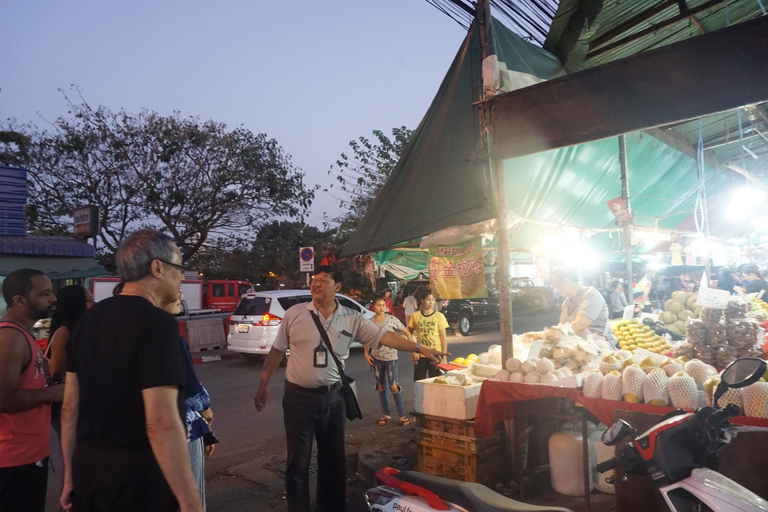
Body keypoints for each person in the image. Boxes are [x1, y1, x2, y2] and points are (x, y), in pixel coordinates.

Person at [254, 266, 448, 512]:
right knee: (297, 462)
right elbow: (277, 350)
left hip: (333, 398)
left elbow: (385, 337)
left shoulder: (352, 318)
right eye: (314, 280)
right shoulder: (295, 314)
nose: (316, 284)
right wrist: (263, 383)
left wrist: (419, 347)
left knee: (333, 462)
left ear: (338, 287)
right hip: (298, 399)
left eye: (324, 280)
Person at [60, 229, 203, 512]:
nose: (182, 277)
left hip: (88, 469)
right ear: (158, 267)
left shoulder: (87, 321)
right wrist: (190, 502)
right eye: (179, 268)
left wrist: (69, 476)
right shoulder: (157, 324)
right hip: (137, 481)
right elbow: (160, 422)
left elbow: (69, 408)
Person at [0, 268, 64, 512]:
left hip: (29, 453)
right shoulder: (10, 337)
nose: (53, 298)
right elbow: (3, 399)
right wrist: (54, 393)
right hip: (14, 458)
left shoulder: (23, 335)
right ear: (20, 300)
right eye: (45, 293)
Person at [163, 292, 217, 510]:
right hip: (183, 431)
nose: (181, 295)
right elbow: (190, 387)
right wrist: (206, 411)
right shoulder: (170, 336)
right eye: (176, 288)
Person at [45, 284, 94, 437]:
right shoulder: (65, 332)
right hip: (66, 405)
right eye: (87, 300)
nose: (94, 304)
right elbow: (56, 375)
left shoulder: (85, 330)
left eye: (92, 299)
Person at [364, 294, 414, 427]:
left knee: (394, 385)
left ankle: (402, 415)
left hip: (391, 358)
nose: (381, 308)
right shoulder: (369, 322)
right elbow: (366, 339)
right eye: (378, 305)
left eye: (383, 305)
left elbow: (407, 333)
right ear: (373, 307)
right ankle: (386, 415)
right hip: (376, 358)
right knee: (380, 386)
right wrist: (366, 354)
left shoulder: (392, 320)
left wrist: (413, 349)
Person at [553, 266, 618, 346]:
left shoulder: (590, 296)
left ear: (565, 282)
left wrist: (553, 336)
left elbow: (581, 325)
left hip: (604, 350)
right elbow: (561, 326)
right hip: (583, 349)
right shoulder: (567, 302)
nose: (556, 289)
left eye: (556, 285)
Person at [409, 291, 448, 381]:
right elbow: (409, 334)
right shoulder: (415, 316)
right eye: (429, 300)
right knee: (419, 382)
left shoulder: (439, 316)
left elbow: (443, 338)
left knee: (436, 382)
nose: (431, 302)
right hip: (420, 355)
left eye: (433, 300)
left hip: (436, 355)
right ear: (422, 300)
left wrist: (444, 358)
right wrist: (413, 352)